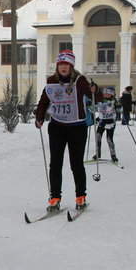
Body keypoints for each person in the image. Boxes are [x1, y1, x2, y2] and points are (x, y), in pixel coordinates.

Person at [35, 49, 91, 211]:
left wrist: (93, 89)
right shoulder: (51, 81)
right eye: (61, 64)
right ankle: (55, 198)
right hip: (57, 126)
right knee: (55, 164)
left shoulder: (80, 81)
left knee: (76, 164)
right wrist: (39, 117)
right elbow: (44, 101)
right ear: (57, 66)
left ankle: (80, 197)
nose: (63, 67)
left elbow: (96, 96)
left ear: (71, 66)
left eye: (67, 64)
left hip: (77, 127)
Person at [93, 86, 118, 162]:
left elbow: (120, 110)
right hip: (101, 122)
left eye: (108, 93)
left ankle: (113, 155)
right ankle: (98, 154)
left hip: (110, 122)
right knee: (98, 137)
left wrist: (119, 107)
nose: (106, 94)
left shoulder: (114, 101)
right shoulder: (100, 101)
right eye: (105, 93)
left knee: (109, 139)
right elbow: (94, 108)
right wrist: (89, 106)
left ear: (112, 94)